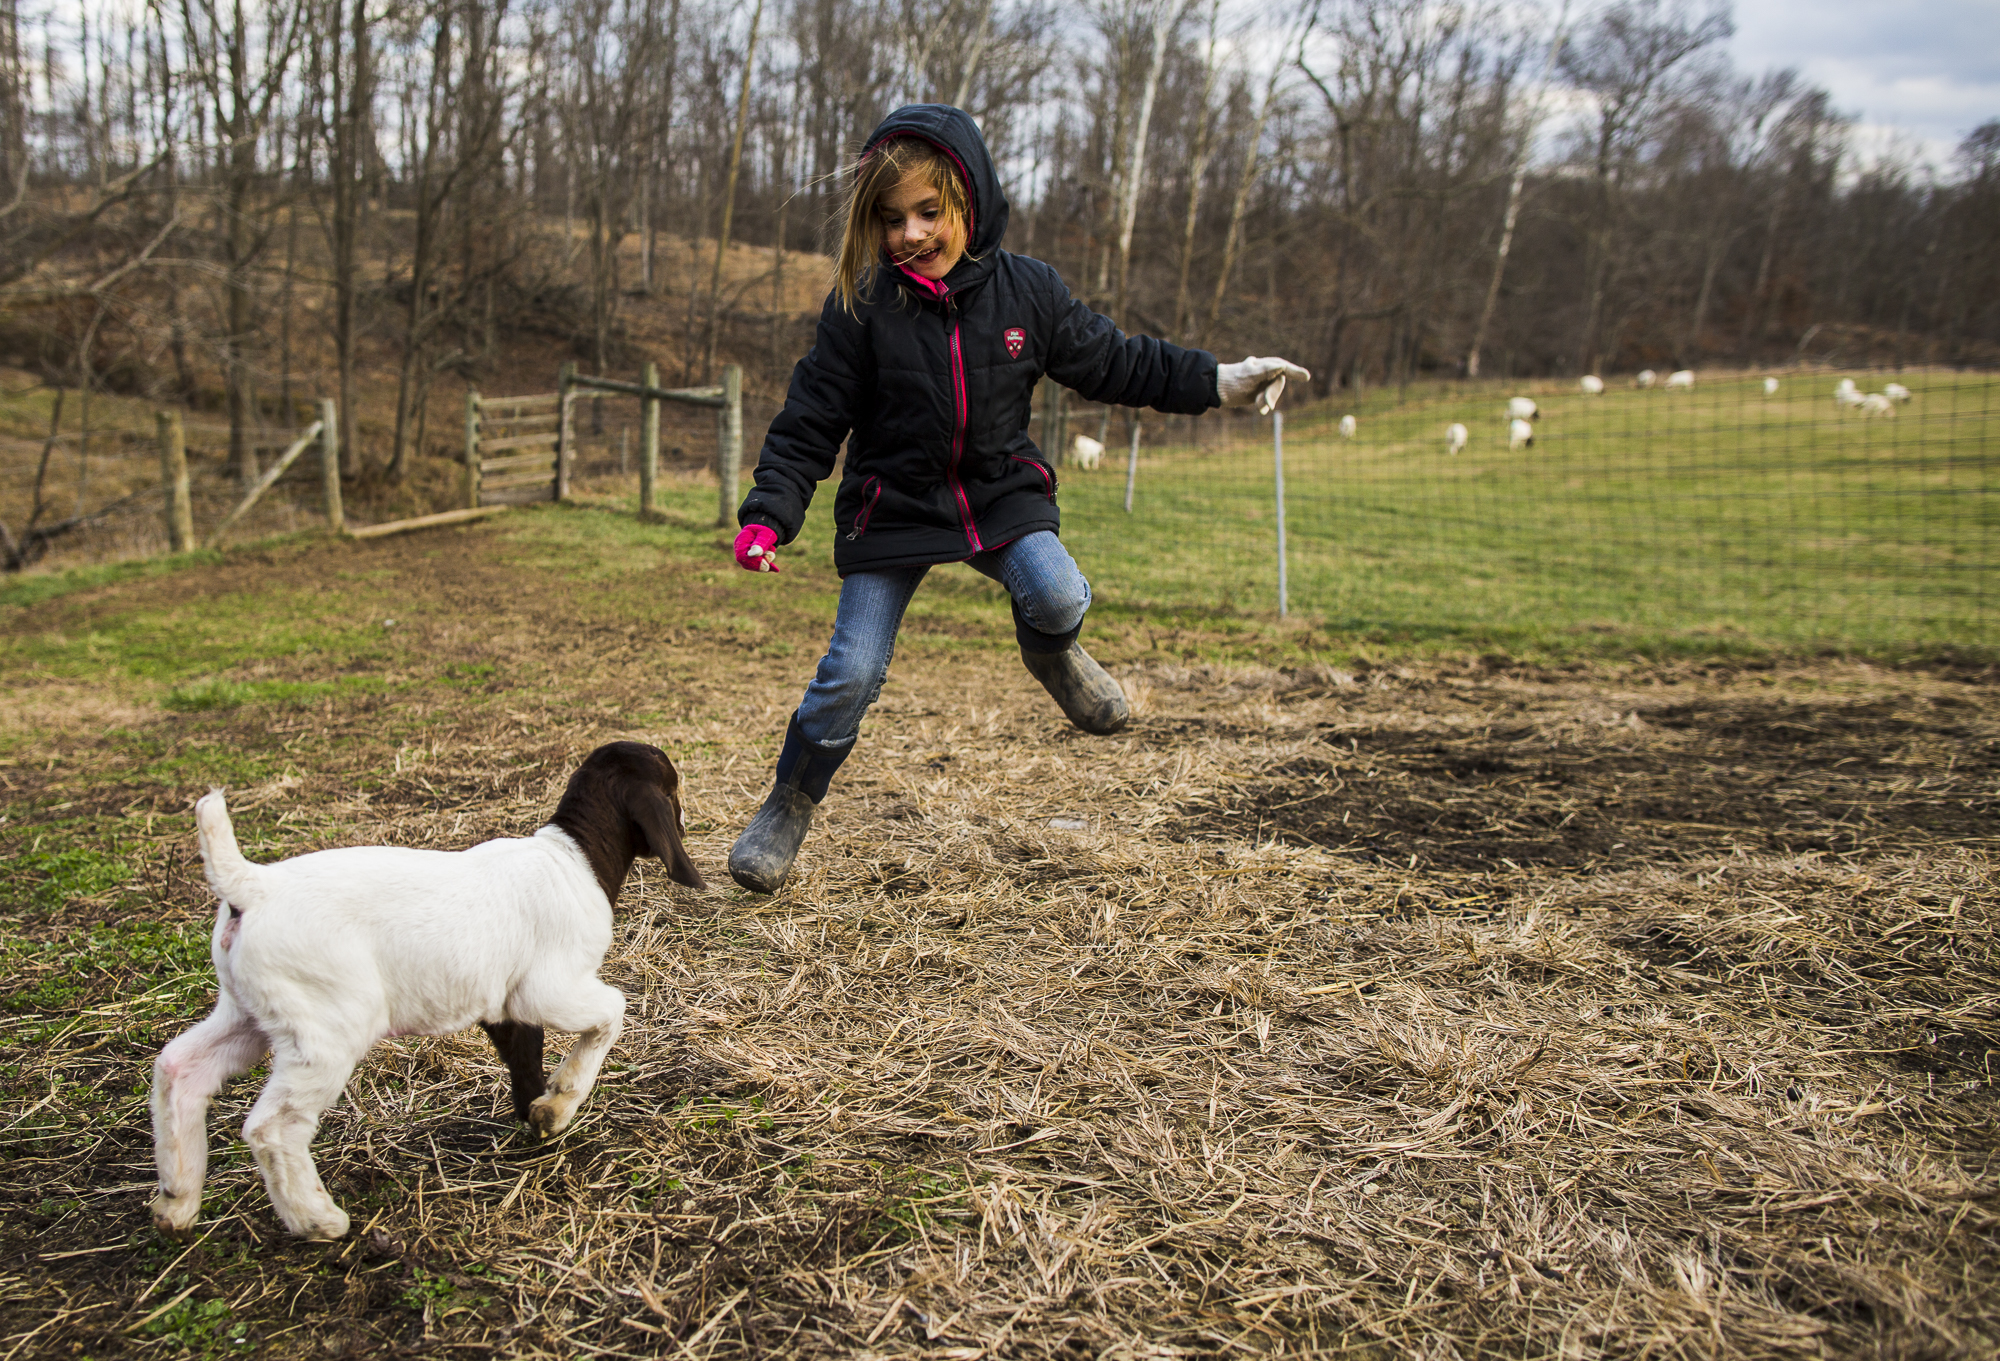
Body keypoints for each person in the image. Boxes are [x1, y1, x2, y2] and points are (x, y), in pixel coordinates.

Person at [726, 103, 1308, 893]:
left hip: (1001, 496)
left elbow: (1118, 362)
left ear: (970, 198)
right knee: (850, 671)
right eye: (891, 219)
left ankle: (1052, 654)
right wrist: (769, 512)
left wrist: (1218, 380)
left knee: (1059, 593)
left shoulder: (1027, 292)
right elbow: (809, 418)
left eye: (929, 212)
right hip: (892, 509)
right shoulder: (863, 307)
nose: (911, 235)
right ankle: (789, 801)